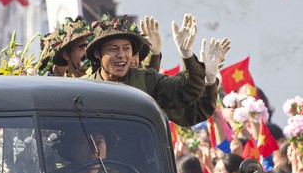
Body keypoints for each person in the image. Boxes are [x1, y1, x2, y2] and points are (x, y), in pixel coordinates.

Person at [81, 13, 227, 127]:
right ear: (97, 54)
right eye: (113, 49)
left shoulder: (146, 81)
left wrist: (187, 54)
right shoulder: (81, 88)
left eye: (127, 49)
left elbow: (188, 90)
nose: (121, 55)